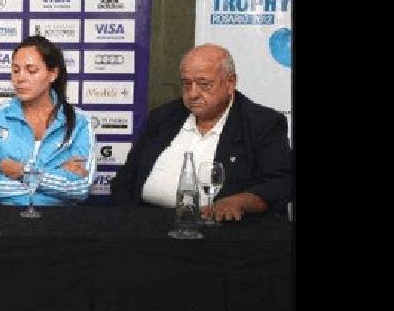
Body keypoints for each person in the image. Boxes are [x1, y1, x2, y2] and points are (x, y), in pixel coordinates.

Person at [111, 44, 291, 220]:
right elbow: (126, 179)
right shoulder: (162, 117)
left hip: (221, 233)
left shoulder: (262, 123)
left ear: (230, 83)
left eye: (204, 84)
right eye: (187, 84)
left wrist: (240, 201)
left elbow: (280, 183)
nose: (193, 94)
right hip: (146, 225)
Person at [0, 35, 95, 205]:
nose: (20, 78)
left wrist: (21, 172)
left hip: (58, 224)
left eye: (31, 70)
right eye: (16, 70)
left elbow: (81, 188)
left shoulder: (80, 122)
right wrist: (54, 176)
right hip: (4, 221)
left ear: (52, 74)